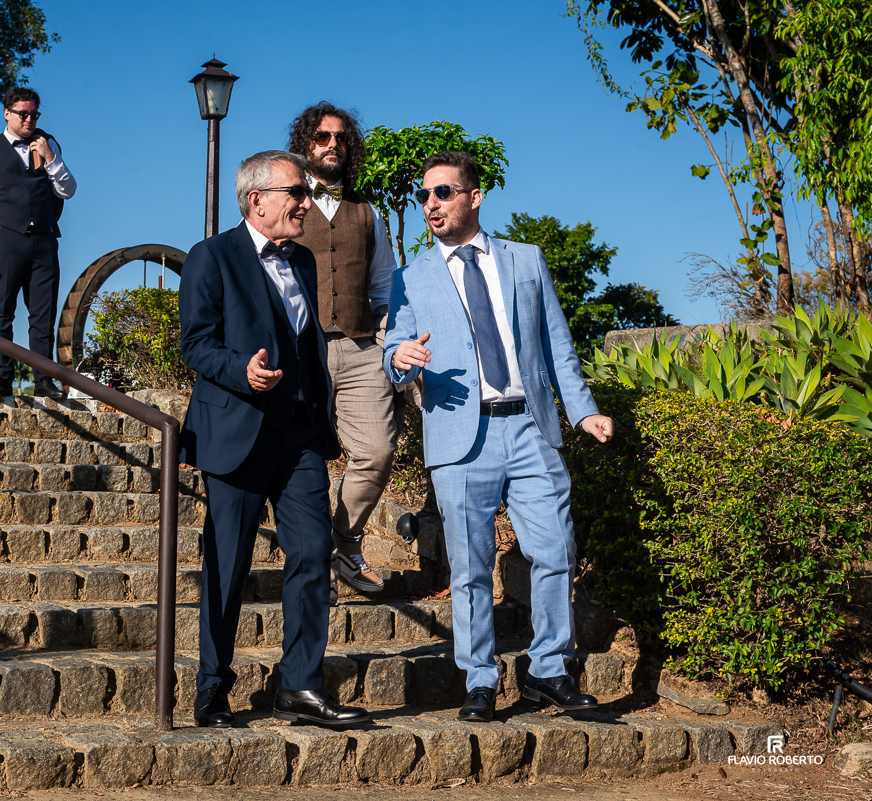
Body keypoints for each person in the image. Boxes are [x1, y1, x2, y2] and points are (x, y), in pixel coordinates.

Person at [383, 151, 615, 723]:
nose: (431, 205)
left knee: (555, 550)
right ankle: (480, 679)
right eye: (424, 196)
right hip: (461, 436)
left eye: (443, 193)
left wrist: (582, 411)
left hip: (532, 427)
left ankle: (549, 670)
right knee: (470, 567)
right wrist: (401, 359)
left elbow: (557, 342)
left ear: (474, 196)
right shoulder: (410, 278)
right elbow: (392, 349)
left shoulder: (527, 261)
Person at [179, 150, 369, 729]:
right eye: (297, 193)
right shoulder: (211, 257)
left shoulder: (305, 262)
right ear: (256, 199)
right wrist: (243, 371)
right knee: (228, 564)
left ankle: (300, 687)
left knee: (313, 553)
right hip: (235, 432)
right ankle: (213, 687)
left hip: (300, 435)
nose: (306, 204)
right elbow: (196, 343)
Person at [287, 102, 400, 602]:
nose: (333, 145)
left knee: (377, 451)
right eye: (322, 137)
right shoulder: (286, 205)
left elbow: (383, 289)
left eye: (341, 138)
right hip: (300, 351)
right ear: (306, 144)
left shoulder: (368, 212)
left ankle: (344, 545)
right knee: (299, 458)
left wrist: (388, 343)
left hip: (359, 346)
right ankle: (311, 562)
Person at [0, 86, 76, 399]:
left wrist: (51, 158)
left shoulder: (48, 143)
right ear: (7, 113)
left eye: (34, 114)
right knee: (1, 312)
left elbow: (68, 190)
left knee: (43, 314)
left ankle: (43, 379)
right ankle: (2, 380)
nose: (29, 119)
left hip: (43, 241)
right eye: (23, 114)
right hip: (3, 240)